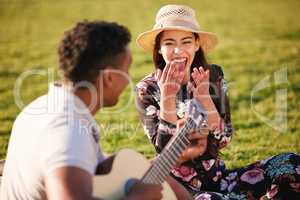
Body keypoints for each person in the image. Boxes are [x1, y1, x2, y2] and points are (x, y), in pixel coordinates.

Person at [0, 20, 192, 200]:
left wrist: (161, 162)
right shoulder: (68, 131)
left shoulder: (42, 106)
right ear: (108, 78)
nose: (127, 79)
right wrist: (138, 196)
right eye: (126, 70)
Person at [135, 4, 300, 199]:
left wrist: (205, 99)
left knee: (291, 164)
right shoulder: (146, 89)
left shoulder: (213, 75)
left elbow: (224, 139)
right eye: (169, 43)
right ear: (159, 48)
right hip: (179, 191)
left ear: (197, 45)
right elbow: (164, 152)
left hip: (220, 179)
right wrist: (167, 98)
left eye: (186, 42)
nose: (178, 50)